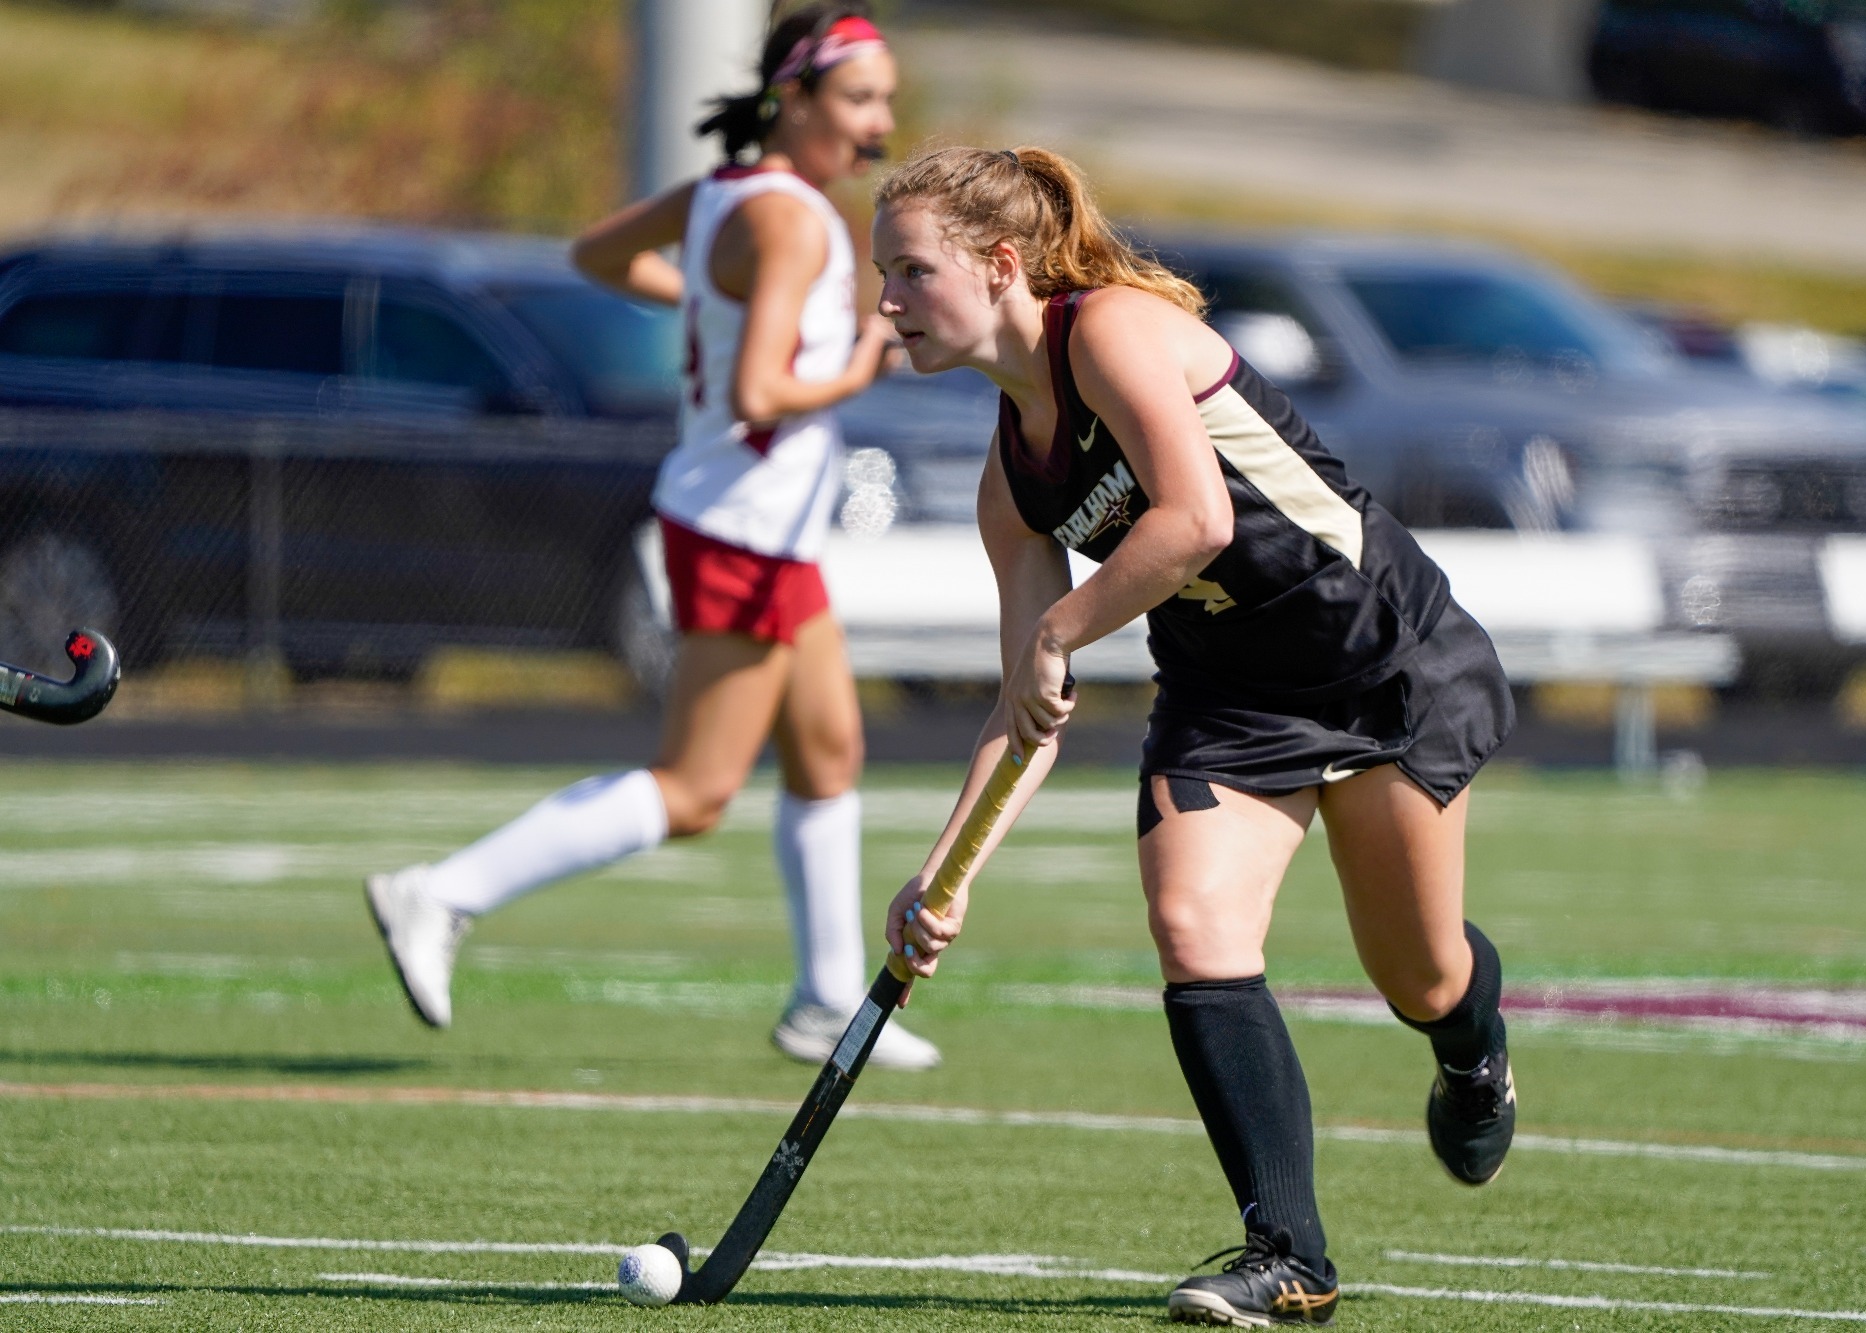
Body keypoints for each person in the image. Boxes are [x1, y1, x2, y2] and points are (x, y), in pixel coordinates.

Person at [871, 145, 1519, 1325]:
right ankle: (1289, 1253)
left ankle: (1473, 1046)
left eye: (910, 272)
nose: (887, 302)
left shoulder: (1109, 331)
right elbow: (1027, 704)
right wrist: (941, 874)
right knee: (1190, 920)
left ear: (1001, 264)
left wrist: (1063, 627)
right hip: (1228, 699)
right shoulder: (1007, 483)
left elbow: (1197, 517)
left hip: (1379, 659)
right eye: (884, 276)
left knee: (1416, 974)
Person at [365, 3, 942, 1072]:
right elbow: (764, 389)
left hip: (755, 527)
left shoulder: (729, 194)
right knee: (695, 789)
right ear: (794, 100)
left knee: (829, 750)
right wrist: (859, 367)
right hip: (743, 530)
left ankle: (825, 999)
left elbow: (597, 255)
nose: (879, 123)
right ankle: (442, 892)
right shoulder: (793, 221)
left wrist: (703, 306)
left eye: (886, 101)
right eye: (861, 99)